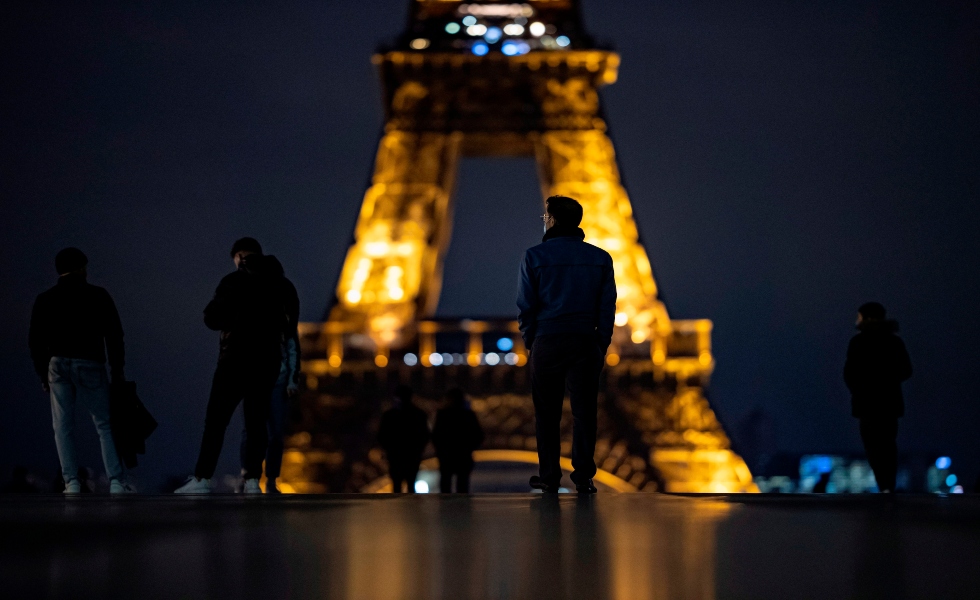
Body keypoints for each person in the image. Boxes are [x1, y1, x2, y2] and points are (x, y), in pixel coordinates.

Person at [517, 196, 616, 494]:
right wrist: (601, 343)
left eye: (545, 216)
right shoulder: (600, 258)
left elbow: (525, 305)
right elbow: (607, 307)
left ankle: (549, 476)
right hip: (585, 340)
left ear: (553, 220)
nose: (544, 220)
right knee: (585, 412)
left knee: (546, 414)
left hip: (547, 339)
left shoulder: (534, 257)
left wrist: (532, 340)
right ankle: (583, 475)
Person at [176, 238, 288, 494]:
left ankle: (203, 478)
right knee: (256, 423)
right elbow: (288, 324)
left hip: (235, 360)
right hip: (267, 361)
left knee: (216, 421)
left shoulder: (233, 281)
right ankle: (252, 481)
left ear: (238, 256)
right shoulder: (279, 283)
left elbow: (212, 318)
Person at [29, 248, 135, 494]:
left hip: (57, 364)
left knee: (63, 426)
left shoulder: (45, 299)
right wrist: (117, 369)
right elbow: (114, 335)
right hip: (90, 363)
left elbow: (35, 341)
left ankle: (71, 481)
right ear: (81, 267)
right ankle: (116, 481)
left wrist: (42, 373)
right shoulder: (98, 295)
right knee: (104, 425)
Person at [238, 255, 300, 494]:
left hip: (276, 381)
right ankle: (251, 476)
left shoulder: (280, 318)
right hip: (261, 380)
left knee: (271, 434)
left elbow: (292, 347)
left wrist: (292, 379)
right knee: (257, 432)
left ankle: (267, 478)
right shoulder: (264, 313)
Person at [843, 302, 912, 493]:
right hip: (890, 404)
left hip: (866, 404)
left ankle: (883, 484)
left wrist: (860, 388)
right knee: (888, 445)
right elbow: (907, 370)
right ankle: (888, 485)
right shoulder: (895, 342)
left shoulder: (857, 343)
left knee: (872, 447)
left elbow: (849, 373)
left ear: (866, 317)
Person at [378, 385, 430, 493]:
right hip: (412, 454)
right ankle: (411, 508)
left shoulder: (389, 415)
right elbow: (425, 434)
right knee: (411, 483)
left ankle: (397, 508)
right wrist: (419, 449)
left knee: (396, 484)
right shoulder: (419, 414)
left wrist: (387, 449)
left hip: (395, 454)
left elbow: (382, 435)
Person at [432, 388, 484, 493]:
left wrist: (441, 450)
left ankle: (445, 508)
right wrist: (469, 448)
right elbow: (478, 435)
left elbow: (436, 435)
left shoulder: (442, 415)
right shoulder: (468, 415)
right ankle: (462, 508)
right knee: (463, 486)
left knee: (445, 486)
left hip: (447, 455)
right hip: (463, 455)